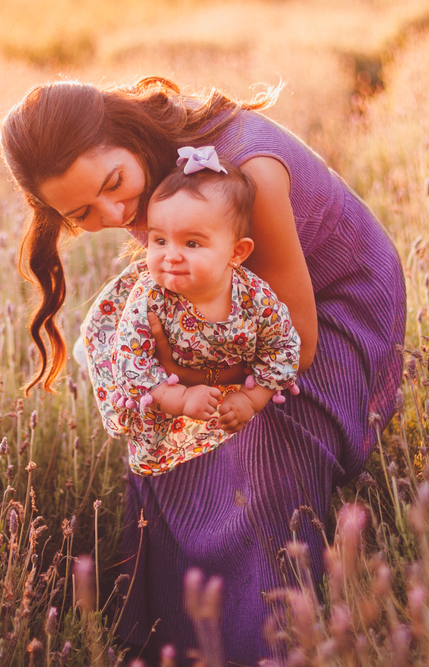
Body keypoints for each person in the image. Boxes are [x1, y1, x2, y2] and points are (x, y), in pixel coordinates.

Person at [0, 76, 405, 665]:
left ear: (127, 131)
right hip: (231, 310)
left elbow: (296, 343)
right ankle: (175, 632)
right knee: (163, 435)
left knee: (262, 452)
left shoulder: (249, 171)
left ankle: (262, 641)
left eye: (114, 184)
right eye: (82, 213)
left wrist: (178, 372)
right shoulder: (146, 170)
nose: (115, 213)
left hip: (329, 306)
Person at [95, 146, 301, 477]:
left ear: (236, 252)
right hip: (166, 391)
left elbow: (284, 348)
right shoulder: (150, 299)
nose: (171, 256)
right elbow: (131, 361)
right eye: (159, 241)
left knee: (254, 463)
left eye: (191, 244)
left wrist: (253, 399)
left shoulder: (255, 298)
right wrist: (177, 398)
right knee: (175, 474)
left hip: (233, 391)